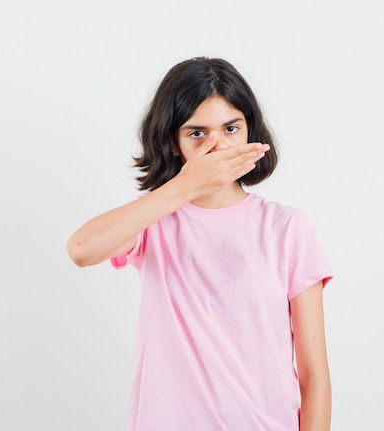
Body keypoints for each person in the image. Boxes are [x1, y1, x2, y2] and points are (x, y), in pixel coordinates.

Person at [67, 57, 333, 431]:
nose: (217, 145)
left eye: (230, 128)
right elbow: (82, 249)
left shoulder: (287, 228)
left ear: (250, 132)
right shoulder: (153, 220)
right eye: (197, 133)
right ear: (174, 143)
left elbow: (314, 377)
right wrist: (186, 186)